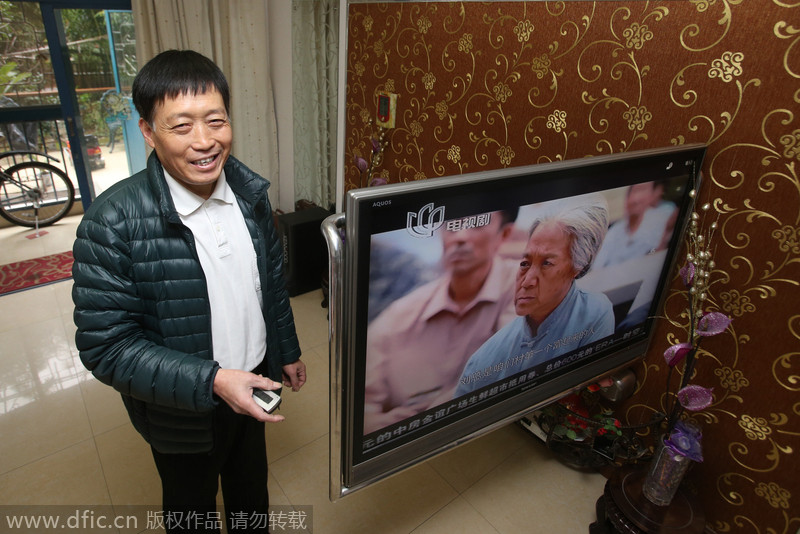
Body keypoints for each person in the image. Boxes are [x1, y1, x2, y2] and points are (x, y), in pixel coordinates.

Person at [71, 50, 306, 534]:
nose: (205, 142)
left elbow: (270, 288)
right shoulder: (111, 223)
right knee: (190, 510)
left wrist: (286, 350)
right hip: (180, 409)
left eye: (216, 121)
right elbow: (107, 347)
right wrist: (215, 382)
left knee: (250, 500)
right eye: (181, 127)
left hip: (254, 383)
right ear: (148, 132)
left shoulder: (251, 197)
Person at [363, 209, 519, 434]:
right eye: (452, 225)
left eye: (477, 223)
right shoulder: (401, 313)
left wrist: (418, 416)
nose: (460, 236)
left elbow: (506, 371)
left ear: (504, 234)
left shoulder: (524, 285)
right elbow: (363, 414)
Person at [454, 199, 614, 397]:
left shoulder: (595, 312)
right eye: (524, 263)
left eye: (546, 263)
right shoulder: (482, 363)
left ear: (576, 267)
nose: (527, 281)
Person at [593, 181, 676, 269]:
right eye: (634, 192)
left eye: (641, 190)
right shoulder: (615, 230)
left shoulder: (664, 215)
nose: (635, 199)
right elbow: (597, 266)